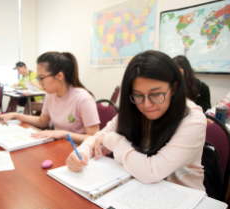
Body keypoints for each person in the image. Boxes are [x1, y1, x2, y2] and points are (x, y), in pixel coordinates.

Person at [66, 50, 206, 191]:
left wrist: (113, 140)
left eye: (156, 94)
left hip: (183, 197)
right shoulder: (133, 109)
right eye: (138, 95)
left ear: (174, 87)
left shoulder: (193, 119)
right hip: (138, 190)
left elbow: (151, 172)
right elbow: (97, 139)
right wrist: (81, 153)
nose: (146, 105)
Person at [0, 52, 100, 144]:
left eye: (41, 78)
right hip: (60, 146)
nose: (39, 83)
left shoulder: (83, 99)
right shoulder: (50, 94)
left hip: (80, 152)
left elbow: (94, 138)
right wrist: (15, 115)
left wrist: (63, 134)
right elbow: (42, 121)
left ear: (59, 76)